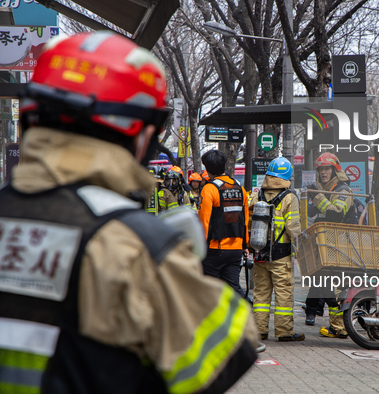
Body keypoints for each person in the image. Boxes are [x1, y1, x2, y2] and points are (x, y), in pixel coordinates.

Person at [0, 32, 258, 394]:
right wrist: (174, 256)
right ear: (141, 135)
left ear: (29, 117)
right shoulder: (135, 246)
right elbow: (227, 353)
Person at [248, 157, 305, 342]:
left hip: (260, 252)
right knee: (283, 294)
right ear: (287, 176)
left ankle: (259, 330)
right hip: (281, 256)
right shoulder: (290, 197)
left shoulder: (258, 195)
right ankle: (284, 332)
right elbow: (293, 228)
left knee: (261, 293)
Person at [304, 152, 352, 337]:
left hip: (340, 246)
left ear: (335, 169)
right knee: (324, 286)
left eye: (327, 169)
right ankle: (337, 327)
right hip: (326, 246)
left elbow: (336, 214)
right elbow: (312, 211)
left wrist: (317, 196)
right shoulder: (326, 190)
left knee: (336, 288)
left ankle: (339, 327)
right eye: (321, 169)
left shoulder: (342, 190)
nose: (323, 172)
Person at [199, 149, 250, 298]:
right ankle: (244, 313)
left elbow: (204, 222)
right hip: (235, 250)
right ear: (225, 165)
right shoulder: (240, 188)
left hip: (214, 249)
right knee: (233, 289)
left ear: (207, 169)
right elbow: (244, 220)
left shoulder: (209, 189)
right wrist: (244, 245)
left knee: (210, 292)